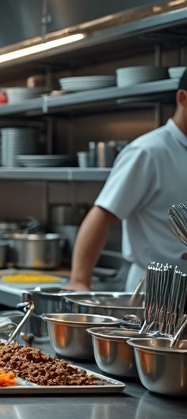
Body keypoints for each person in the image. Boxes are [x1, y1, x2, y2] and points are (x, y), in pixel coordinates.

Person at [64, 77, 187, 292]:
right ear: (183, 98)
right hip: (156, 292)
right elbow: (102, 215)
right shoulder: (149, 152)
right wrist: (80, 280)